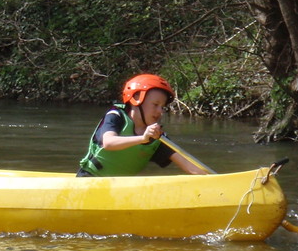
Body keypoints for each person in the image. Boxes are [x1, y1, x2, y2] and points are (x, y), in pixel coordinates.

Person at [76, 73, 207, 177]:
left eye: (162, 107)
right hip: (89, 180)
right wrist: (142, 139)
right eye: (155, 105)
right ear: (136, 100)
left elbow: (191, 167)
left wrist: (216, 182)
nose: (160, 111)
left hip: (120, 190)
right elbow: (108, 143)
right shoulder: (116, 116)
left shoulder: (156, 138)